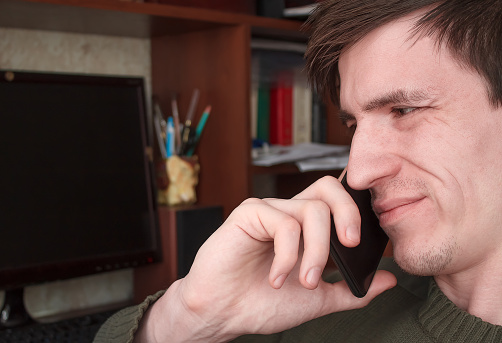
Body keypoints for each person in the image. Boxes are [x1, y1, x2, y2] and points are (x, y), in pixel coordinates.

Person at [94, 0, 502, 341]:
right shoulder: (315, 306)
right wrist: (189, 316)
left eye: (404, 110)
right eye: (353, 126)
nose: (357, 174)